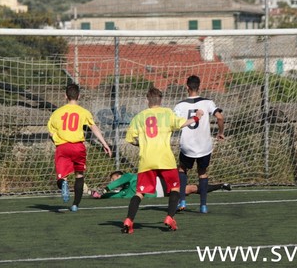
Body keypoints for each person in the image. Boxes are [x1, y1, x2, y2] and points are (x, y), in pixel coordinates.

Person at [122, 87, 204, 233]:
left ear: (147, 100)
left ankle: (129, 220)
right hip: (165, 159)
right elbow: (183, 123)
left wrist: (141, 143)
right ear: (161, 100)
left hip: (147, 160)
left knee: (139, 193)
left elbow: (129, 139)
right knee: (175, 188)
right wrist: (197, 116)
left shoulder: (139, 117)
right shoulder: (167, 113)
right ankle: (170, 217)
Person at [47, 83, 111, 212]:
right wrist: (104, 144)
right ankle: (75, 204)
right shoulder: (84, 112)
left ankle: (64, 184)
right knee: (79, 175)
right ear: (79, 96)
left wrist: (56, 140)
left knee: (61, 177)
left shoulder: (57, 113)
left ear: (65, 96)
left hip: (63, 146)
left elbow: (50, 132)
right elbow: (94, 127)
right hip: (78, 147)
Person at [173, 75, 224, 214]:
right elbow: (219, 117)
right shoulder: (208, 102)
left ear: (187, 87)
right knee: (202, 173)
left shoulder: (180, 105)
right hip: (204, 146)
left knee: (182, 169)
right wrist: (221, 132)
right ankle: (203, 206)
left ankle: (182, 200)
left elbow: (174, 123)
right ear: (199, 86)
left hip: (187, 146)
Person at [91, 170, 231, 199]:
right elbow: (117, 196)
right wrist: (102, 196)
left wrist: (104, 190)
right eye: (113, 180)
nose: (115, 180)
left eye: (116, 178)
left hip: (160, 180)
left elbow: (121, 180)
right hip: (160, 193)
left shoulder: (131, 177)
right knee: (191, 189)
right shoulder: (125, 192)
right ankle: (221, 185)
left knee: (188, 186)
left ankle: (221, 185)